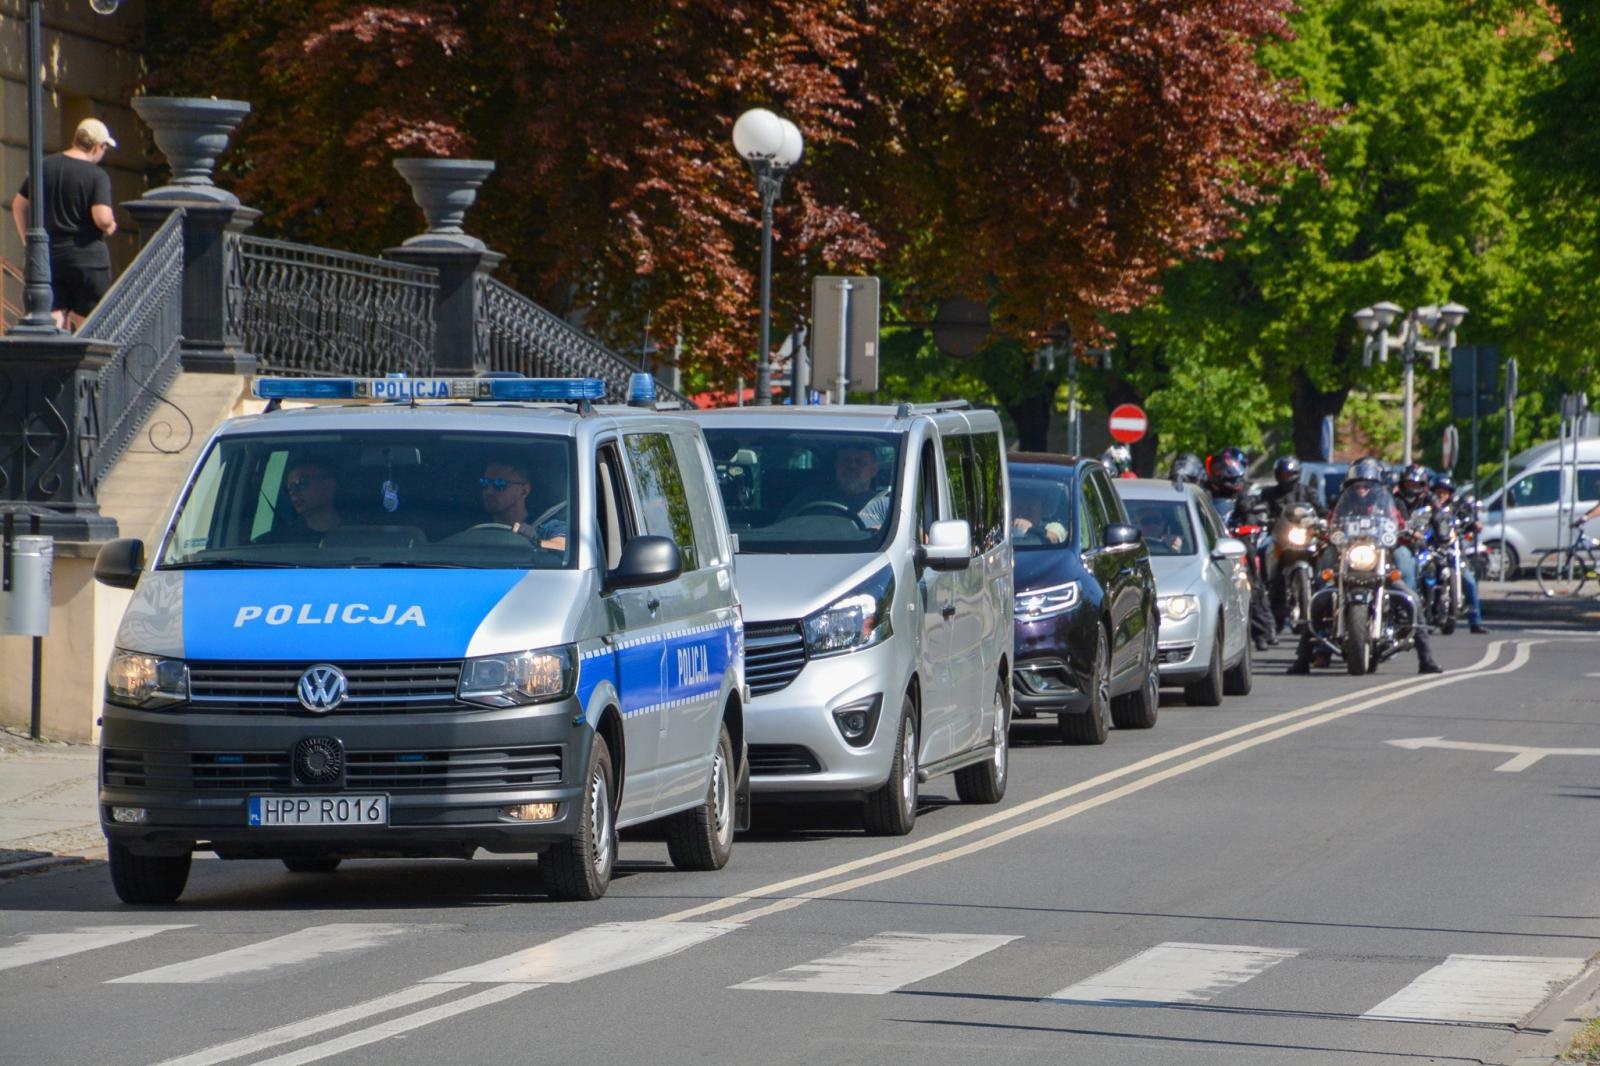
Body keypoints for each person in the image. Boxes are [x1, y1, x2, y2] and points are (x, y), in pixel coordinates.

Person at [1288, 457, 1442, 674]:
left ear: (1377, 485)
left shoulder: (1392, 503)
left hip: (1380, 557)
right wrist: (1320, 528)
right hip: (1348, 556)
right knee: (1320, 595)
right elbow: (1331, 521)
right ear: (1350, 485)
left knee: (1411, 596)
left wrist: (1409, 531)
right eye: (1357, 484)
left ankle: (1426, 658)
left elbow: (1400, 524)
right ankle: (1303, 658)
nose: (1362, 488)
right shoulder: (1341, 501)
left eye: (1366, 484)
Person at [11, 117, 118, 330]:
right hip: (88, 261)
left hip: (50, 256)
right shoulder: (97, 176)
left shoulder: (44, 166)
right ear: (97, 146)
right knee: (89, 322)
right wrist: (111, 226)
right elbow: (102, 217)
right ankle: (85, 363)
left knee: (52, 317)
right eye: (104, 148)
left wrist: (29, 244)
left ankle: (51, 361)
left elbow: (19, 205)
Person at [1429, 474, 1488, 634]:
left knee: (1469, 581)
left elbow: (1467, 519)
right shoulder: (1428, 508)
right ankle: (1426, 615)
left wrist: (1474, 524)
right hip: (1433, 552)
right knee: (1427, 578)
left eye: (1445, 492)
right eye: (1438, 492)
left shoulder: (1456, 508)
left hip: (1454, 552)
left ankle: (1475, 622)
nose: (1441, 495)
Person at [785, 444, 891, 529]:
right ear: (836, 466)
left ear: (874, 470)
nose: (852, 466)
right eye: (846, 460)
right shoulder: (808, 498)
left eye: (860, 461)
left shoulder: (887, 505)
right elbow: (781, 530)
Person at [480, 460, 567, 548]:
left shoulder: (546, 527)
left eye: (499, 484)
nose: (489, 491)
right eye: (484, 483)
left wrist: (533, 541)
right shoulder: (474, 526)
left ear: (524, 491)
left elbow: (563, 546)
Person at [254, 458, 341, 543]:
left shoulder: (353, 532)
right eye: (289, 489)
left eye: (301, 483)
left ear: (328, 485)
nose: (294, 493)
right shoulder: (275, 542)